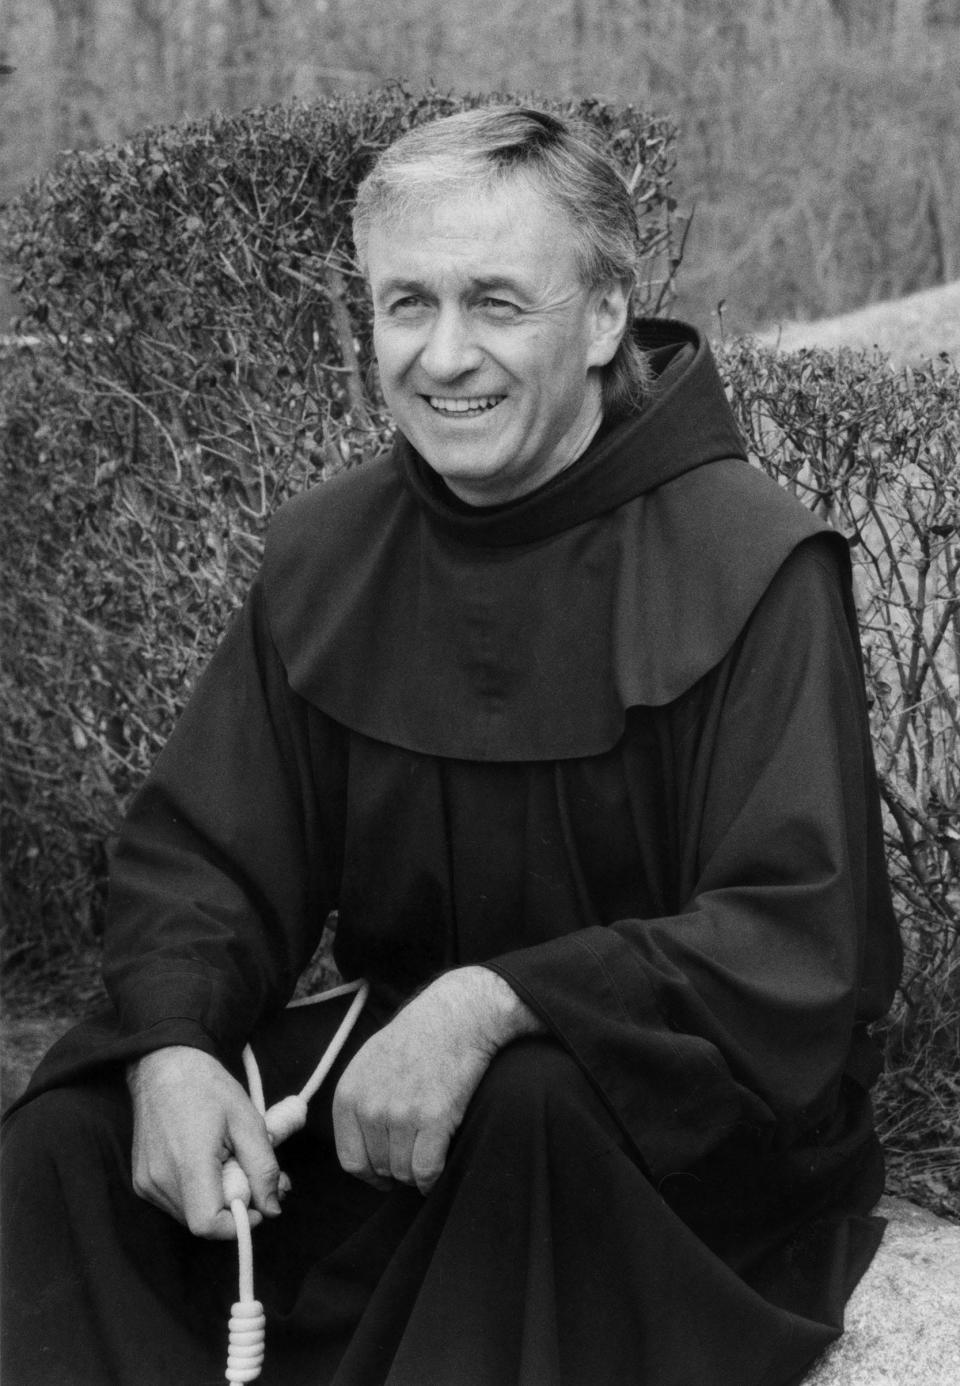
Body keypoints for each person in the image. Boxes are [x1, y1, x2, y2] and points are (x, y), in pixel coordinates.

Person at [1, 105, 902, 1386]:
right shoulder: (330, 555)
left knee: (528, 1104)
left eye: (495, 302)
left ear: (601, 318)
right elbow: (206, 857)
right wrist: (175, 1047)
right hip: (385, 1106)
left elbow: (797, 939)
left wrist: (496, 1003)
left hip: (674, 1144)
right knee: (73, 1135)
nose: (443, 353)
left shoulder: (751, 562)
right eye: (405, 303)